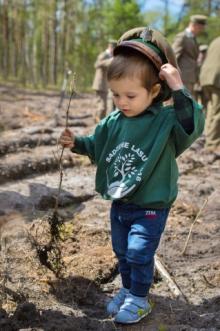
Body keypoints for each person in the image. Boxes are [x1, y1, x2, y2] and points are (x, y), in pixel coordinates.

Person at [59, 27, 205, 325]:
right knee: (123, 252)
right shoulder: (113, 121)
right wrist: (76, 143)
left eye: (130, 95)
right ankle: (127, 289)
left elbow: (192, 123)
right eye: (115, 94)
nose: (121, 101)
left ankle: (140, 299)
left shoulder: (165, 120)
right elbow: (96, 145)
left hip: (151, 203)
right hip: (121, 200)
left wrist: (179, 87)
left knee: (139, 252)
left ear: (153, 91)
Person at [172, 14, 207, 96]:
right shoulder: (182, 37)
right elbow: (173, 56)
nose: (201, 30)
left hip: (190, 77)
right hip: (182, 76)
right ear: (193, 25)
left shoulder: (193, 39)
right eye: (200, 27)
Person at [200, 36, 220, 150]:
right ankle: (212, 144)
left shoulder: (215, 40)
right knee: (218, 113)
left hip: (206, 78)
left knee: (212, 109)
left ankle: (208, 138)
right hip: (217, 79)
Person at [92, 40, 117, 122]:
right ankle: (97, 124)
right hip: (100, 84)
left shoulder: (111, 56)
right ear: (110, 47)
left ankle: (99, 123)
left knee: (106, 107)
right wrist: (110, 61)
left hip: (106, 85)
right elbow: (96, 64)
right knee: (101, 107)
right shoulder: (104, 55)